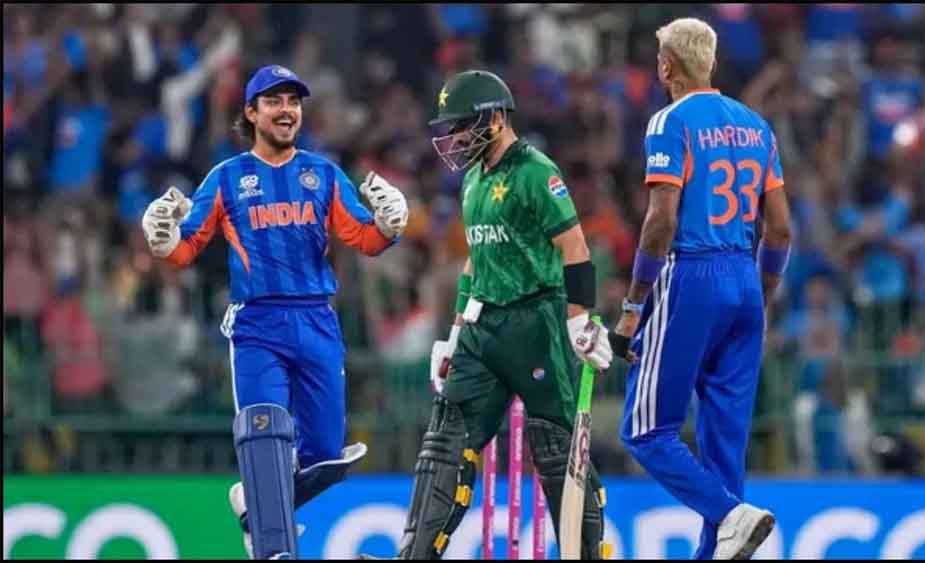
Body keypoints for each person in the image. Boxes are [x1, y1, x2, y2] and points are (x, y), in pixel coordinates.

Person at [141, 64, 409, 559]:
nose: (287, 111)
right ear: (251, 112)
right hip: (257, 325)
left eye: (293, 101)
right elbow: (185, 248)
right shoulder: (226, 178)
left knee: (325, 456)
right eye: (274, 101)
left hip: (317, 322)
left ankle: (255, 507)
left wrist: (390, 226)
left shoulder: (323, 173)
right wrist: (162, 242)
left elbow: (364, 239)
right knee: (265, 435)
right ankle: (273, 549)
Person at [369, 70, 614, 560]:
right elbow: (475, 261)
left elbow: (575, 246)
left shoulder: (535, 170)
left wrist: (578, 319)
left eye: (463, 125)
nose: (456, 137)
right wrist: (455, 333)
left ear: (496, 118)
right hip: (483, 331)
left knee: (557, 450)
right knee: (444, 443)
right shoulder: (473, 179)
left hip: (536, 322)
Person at [610, 19, 792, 559]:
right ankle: (722, 537)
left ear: (665, 66)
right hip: (745, 279)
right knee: (724, 450)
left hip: (692, 274)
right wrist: (763, 299)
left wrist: (633, 306)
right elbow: (780, 230)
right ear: (711, 62)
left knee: (646, 431)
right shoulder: (757, 126)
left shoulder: (670, 121)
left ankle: (730, 514)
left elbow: (661, 221)